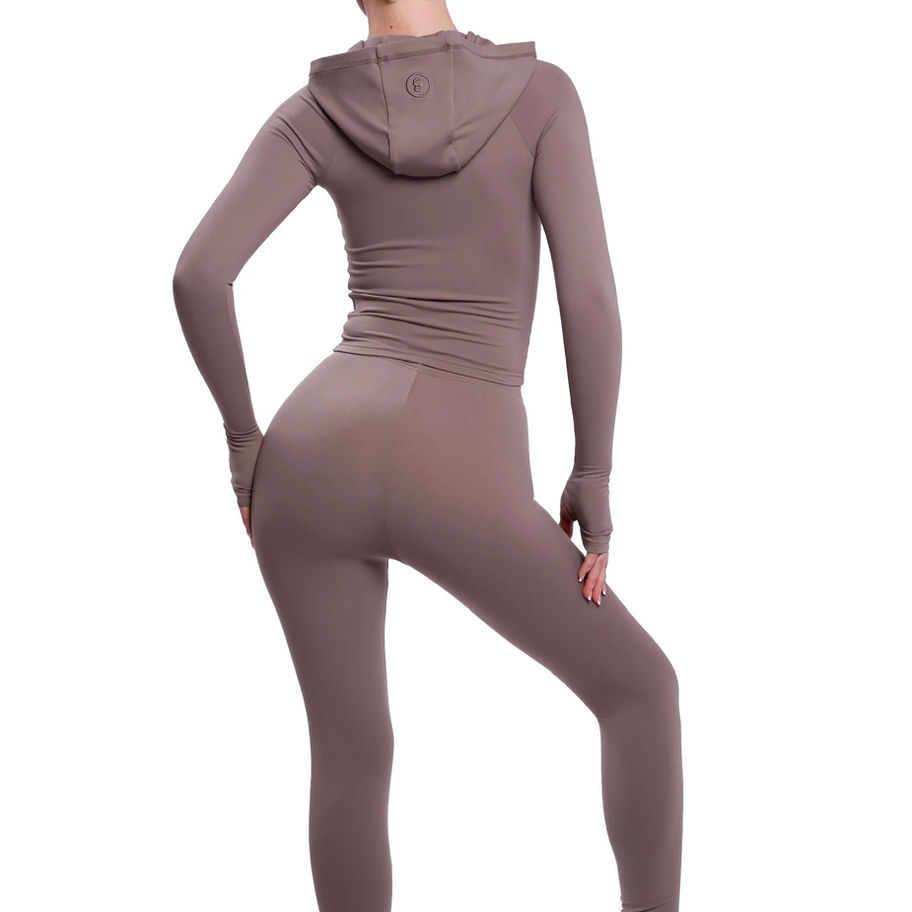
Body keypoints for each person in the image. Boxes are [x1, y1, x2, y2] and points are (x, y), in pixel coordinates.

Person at [171, 2, 683, 910]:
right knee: (640, 690)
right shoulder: (539, 95)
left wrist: (245, 446)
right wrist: (593, 474)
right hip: (457, 464)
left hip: (310, 457)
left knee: (351, 752)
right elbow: (591, 301)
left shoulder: (315, 110)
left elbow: (199, 275)